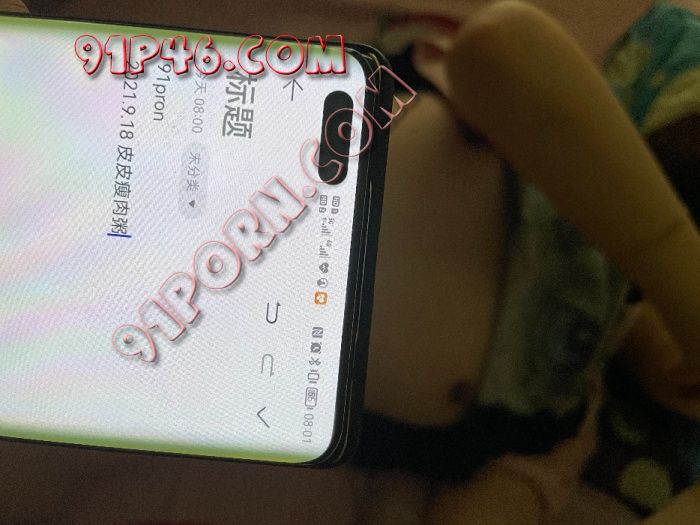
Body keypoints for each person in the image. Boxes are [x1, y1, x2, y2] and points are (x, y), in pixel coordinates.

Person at [1, 0, 698, 523]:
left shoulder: (557, 433)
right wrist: (678, 277)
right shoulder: (604, 166)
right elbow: (501, 43)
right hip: (123, 142)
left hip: (104, 331)